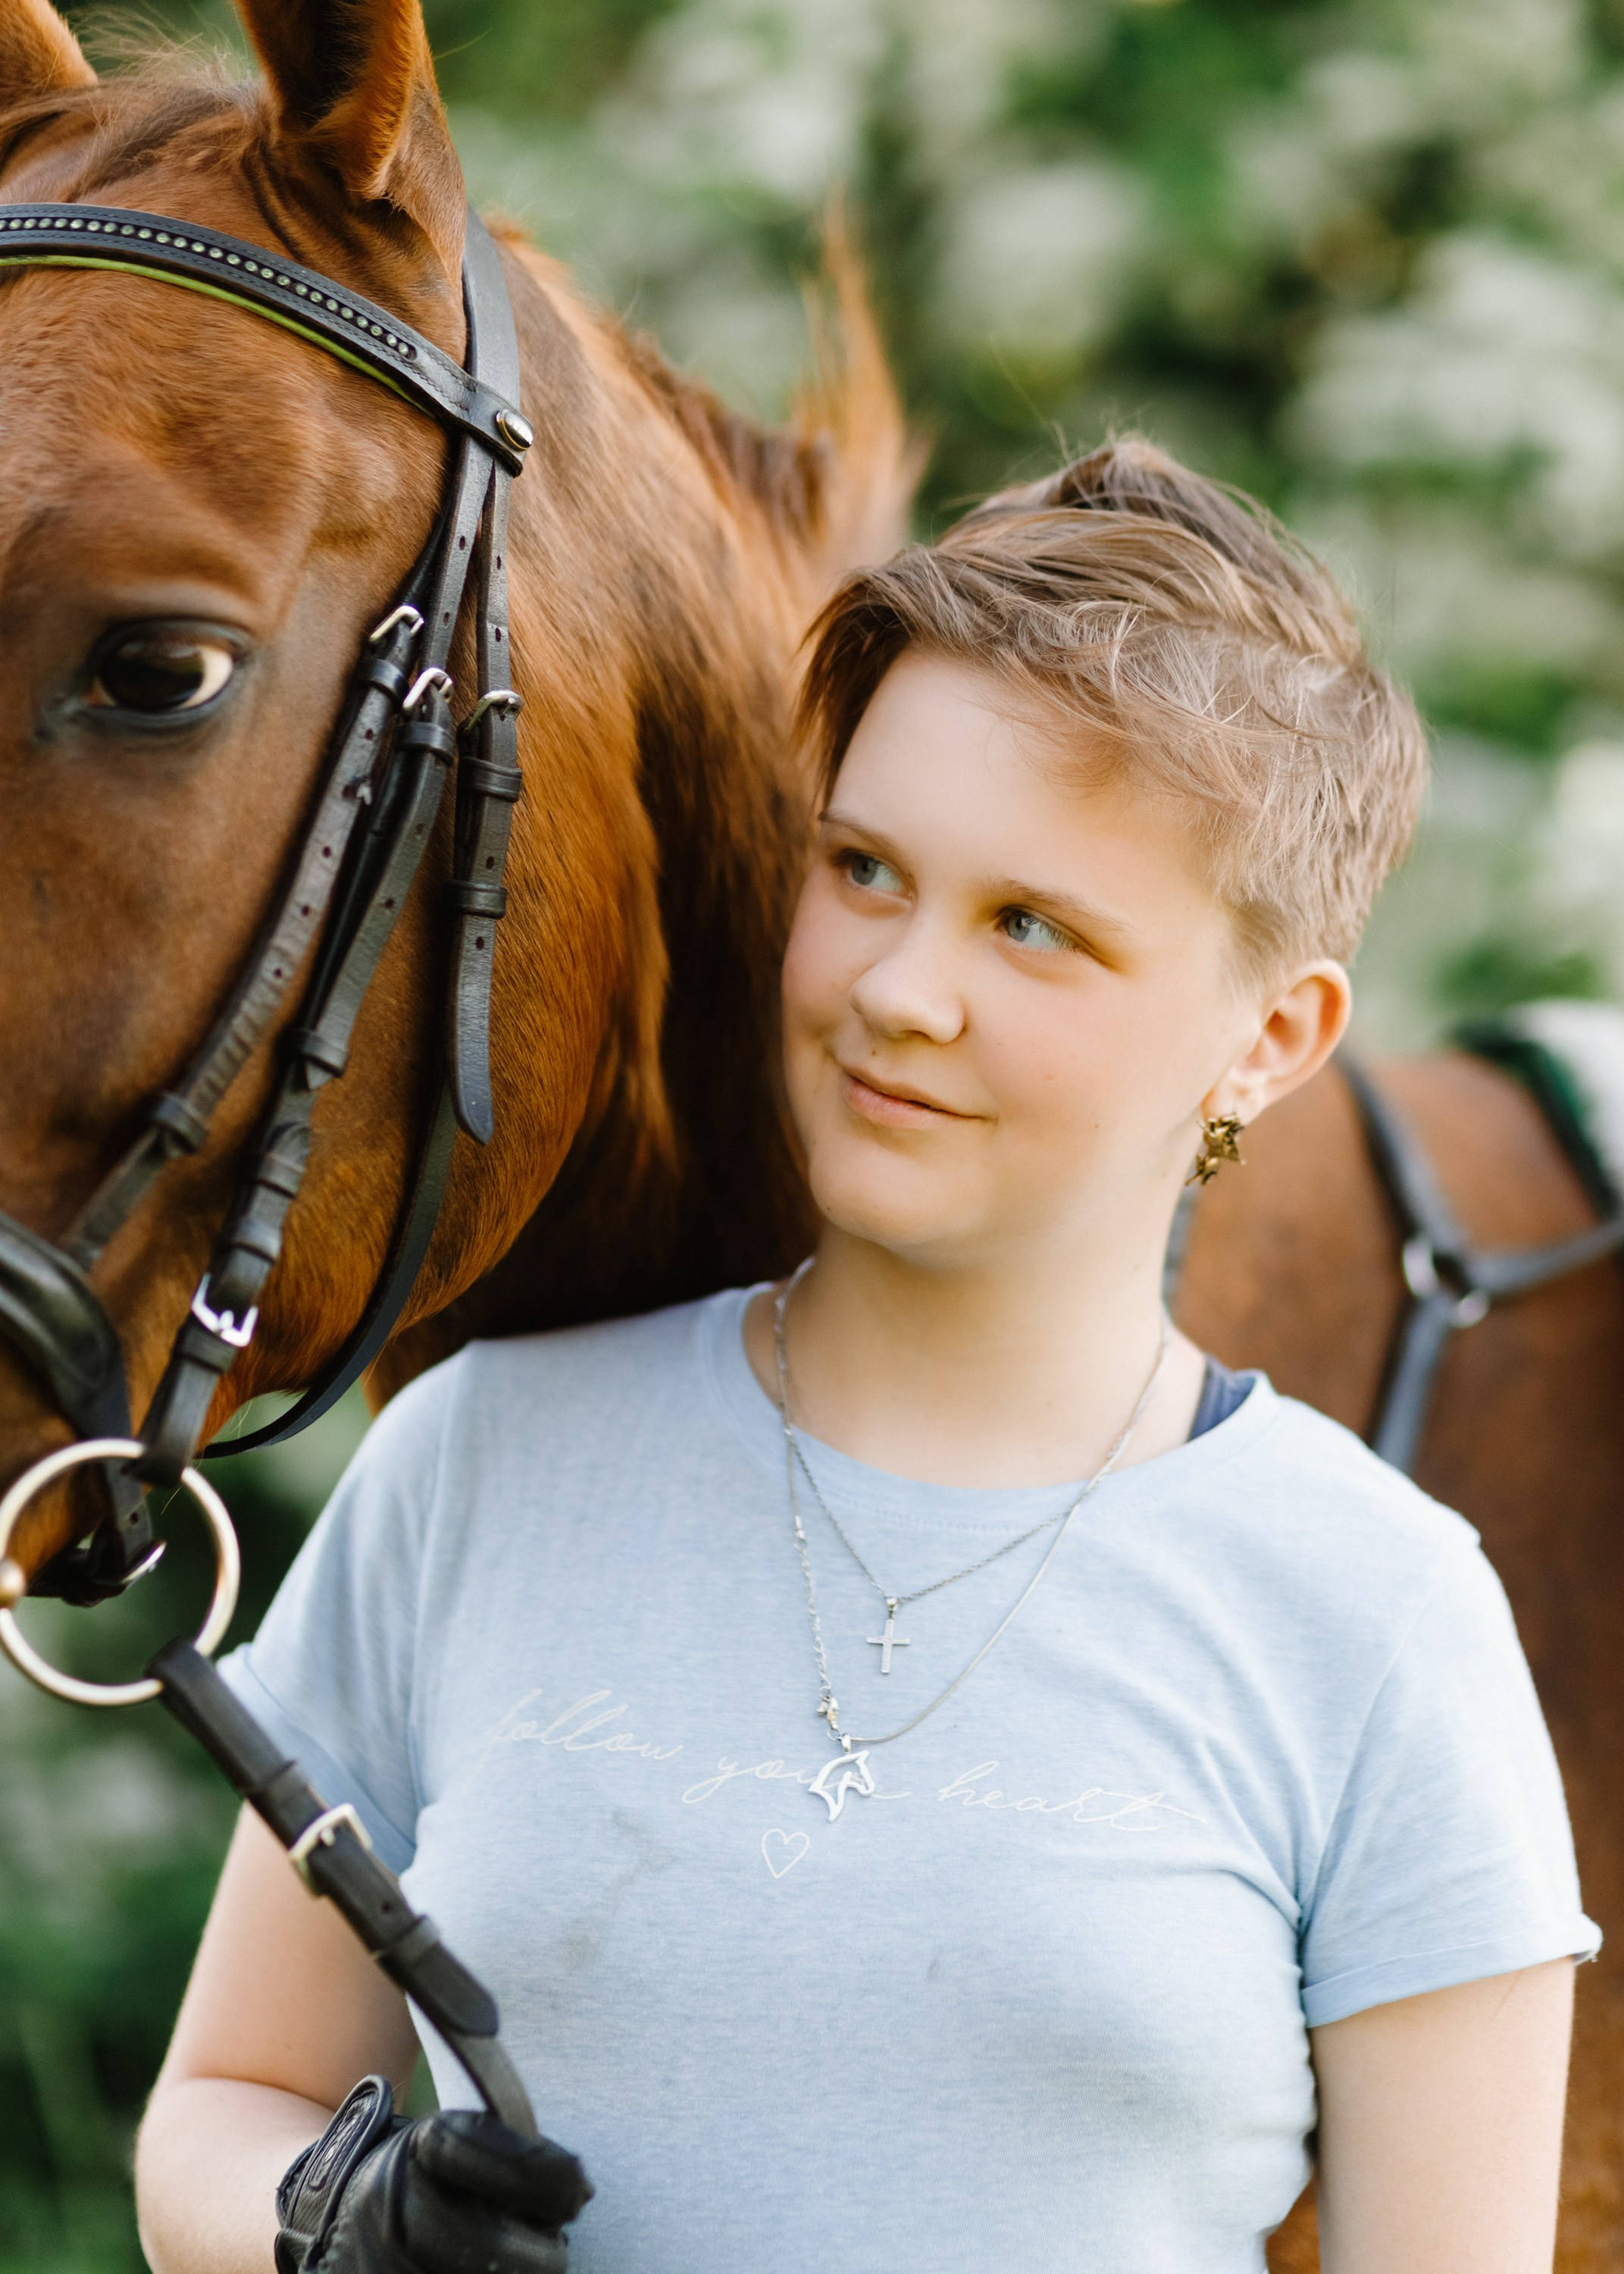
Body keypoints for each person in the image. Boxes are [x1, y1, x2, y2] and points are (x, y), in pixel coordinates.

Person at [136, 439, 1597, 2274]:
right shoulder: (477, 1463)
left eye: (1031, 927)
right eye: (865, 869)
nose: (898, 990)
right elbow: (225, 2104)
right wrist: (331, 2218)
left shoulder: (1377, 1612)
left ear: (1272, 1038)